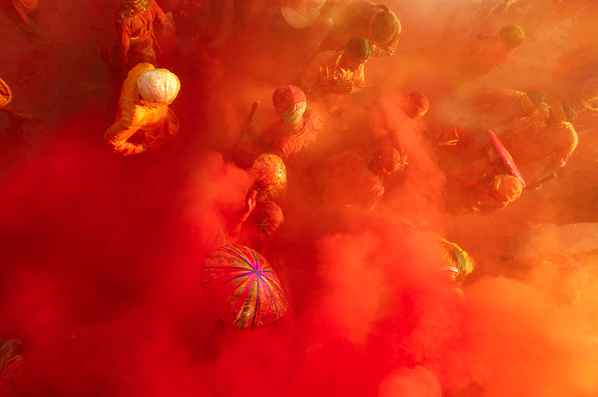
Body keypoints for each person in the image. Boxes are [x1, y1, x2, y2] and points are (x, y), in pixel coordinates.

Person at [104, 62, 180, 156]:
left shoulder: (146, 68)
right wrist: (139, 148)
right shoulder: (132, 118)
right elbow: (113, 142)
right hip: (146, 127)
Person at [501, 100, 579, 189]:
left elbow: (558, 162)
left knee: (501, 185)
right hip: (507, 144)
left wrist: (541, 178)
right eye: (550, 112)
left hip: (522, 164)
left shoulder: (569, 139)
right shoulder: (542, 108)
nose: (548, 117)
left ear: (563, 123)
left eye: (553, 118)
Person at [243, 85, 323, 163]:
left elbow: (264, 162)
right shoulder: (313, 117)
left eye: (277, 107)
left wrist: (252, 135)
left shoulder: (281, 145)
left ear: (281, 113)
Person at [299, 36, 371, 120]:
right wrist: (333, 89)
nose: (358, 67)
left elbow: (360, 86)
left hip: (332, 116)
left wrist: (350, 90)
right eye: (355, 60)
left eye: (362, 63)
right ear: (346, 51)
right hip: (310, 114)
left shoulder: (358, 67)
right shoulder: (323, 60)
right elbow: (304, 89)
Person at [320, 145, 405, 210]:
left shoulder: (351, 157)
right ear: (388, 173)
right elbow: (360, 212)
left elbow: (325, 164)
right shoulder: (377, 189)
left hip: (319, 193)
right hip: (331, 212)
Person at [320, 1, 400, 57]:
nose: (370, 39)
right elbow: (334, 32)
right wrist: (349, 42)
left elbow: (389, 51)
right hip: (335, 46)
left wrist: (372, 49)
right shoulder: (356, 10)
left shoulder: (396, 28)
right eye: (371, 35)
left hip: (357, 58)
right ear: (371, 21)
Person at [460, 25, 525, 80]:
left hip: (482, 66)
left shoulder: (504, 55)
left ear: (508, 42)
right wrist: (485, 35)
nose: (501, 37)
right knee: (467, 69)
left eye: (503, 37)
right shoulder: (508, 40)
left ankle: (460, 80)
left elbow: (487, 62)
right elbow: (497, 36)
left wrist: (477, 52)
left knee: (468, 74)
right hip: (483, 57)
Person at [115, 0, 166, 70]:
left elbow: (124, 46)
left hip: (134, 46)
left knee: (134, 69)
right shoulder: (151, 3)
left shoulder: (126, 21)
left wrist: (123, 60)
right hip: (148, 39)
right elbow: (162, 19)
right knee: (151, 64)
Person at [469, 88, 549, 128]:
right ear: (521, 100)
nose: (521, 113)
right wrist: (468, 117)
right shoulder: (505, 95)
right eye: (521, 108)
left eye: (526, 114)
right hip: (480, 119)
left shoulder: (539, 117)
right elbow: (477, 100)